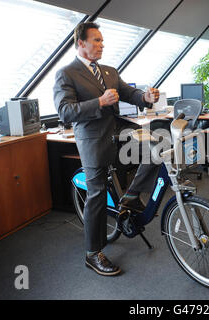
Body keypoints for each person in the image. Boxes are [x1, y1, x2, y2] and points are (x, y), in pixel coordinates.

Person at [53, 22, 160, 276]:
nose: (102, 45)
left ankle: (132, 195)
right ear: (81, 43)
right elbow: (65, 112)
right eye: (97, 40)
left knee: (159, 145)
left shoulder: (110, 71)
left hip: (117, 134)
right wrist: (99, 102)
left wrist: (146, 97)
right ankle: (93, 253)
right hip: (92, 140)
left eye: (102, 41)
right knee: (97, 194)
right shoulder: (66, 73)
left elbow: (130, 93)